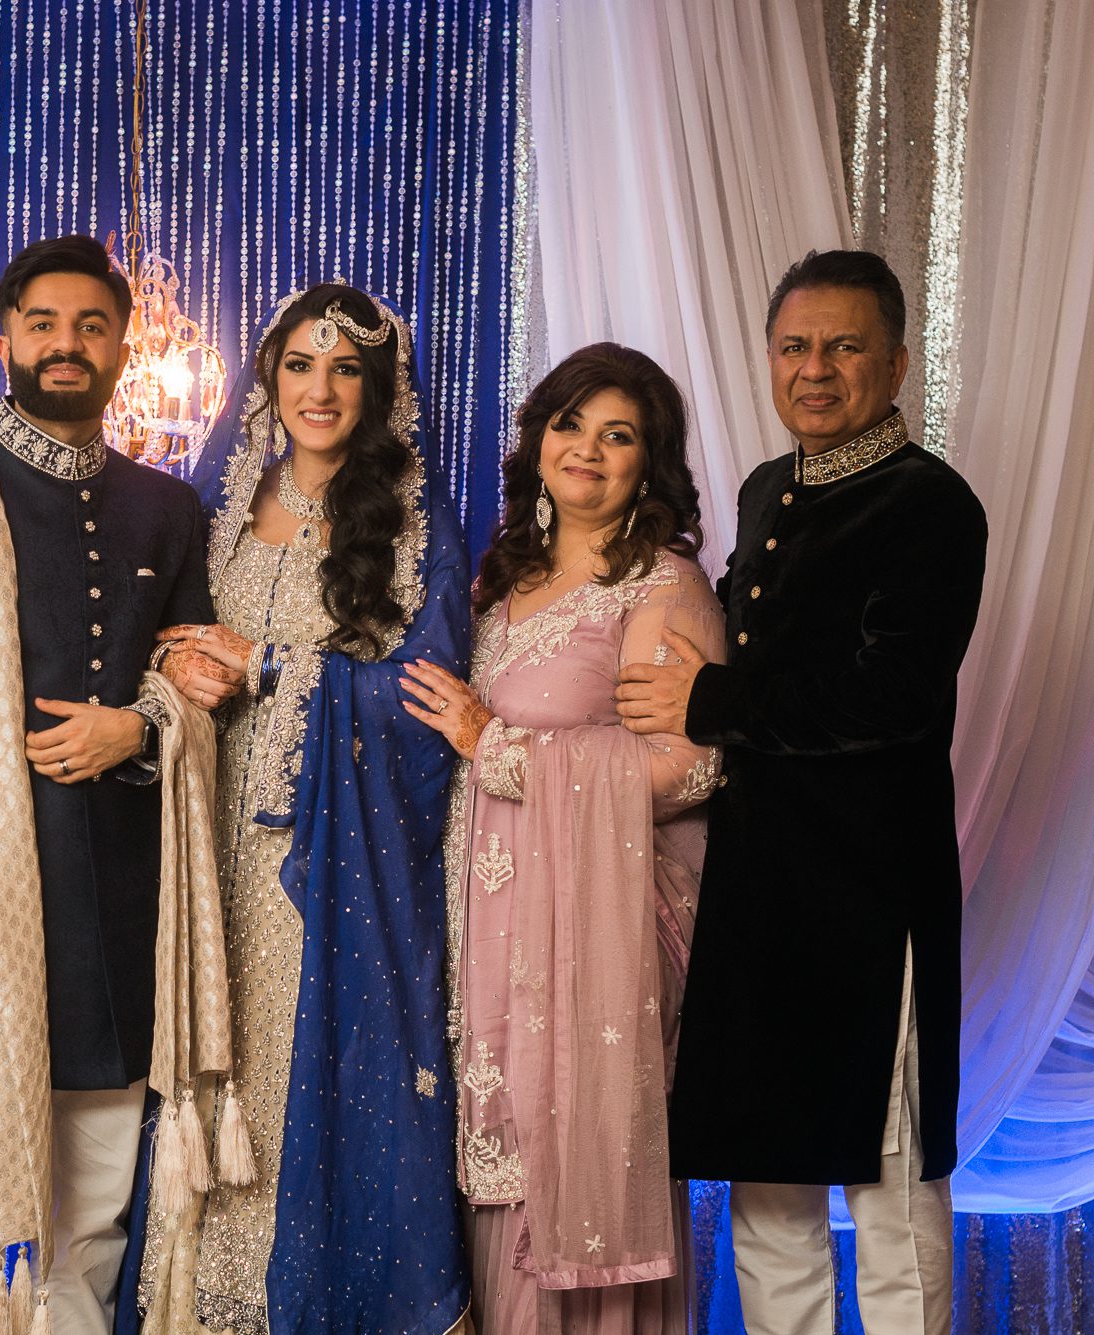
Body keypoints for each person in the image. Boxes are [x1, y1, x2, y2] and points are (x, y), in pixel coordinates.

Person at [0, 234, 235, 1335]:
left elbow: (198, 680)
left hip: (115, 910)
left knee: (95, 1214)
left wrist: (137, 728)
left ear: (122, 346)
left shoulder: (166, 508)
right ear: (5, 339)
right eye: (43, 324)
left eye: (90, 326)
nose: (66, 344)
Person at [617, 250, 987, 1335]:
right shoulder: (766, 489)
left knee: (889, 1180)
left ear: (896, 364)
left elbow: (893, 697)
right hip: (757, 889)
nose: (814, 369)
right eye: (794, 346)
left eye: (843, 347)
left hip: (871, 897)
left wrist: (712, 698)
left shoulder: (929, 504)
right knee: (767, 1177)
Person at [126, 283, 472, 1334]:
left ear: (378, 389)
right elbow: (156, 636)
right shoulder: (221, 504)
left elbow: (429, 703)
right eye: (299, 365)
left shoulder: (413, 524)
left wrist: (273, 669)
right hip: (199, 852)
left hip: (325, 864)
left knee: (301, 1080)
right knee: (201, 1071)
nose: (319, 390)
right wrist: (174, 667)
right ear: (267, 378)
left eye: (345, 369)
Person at [399, 343, 723, 1333]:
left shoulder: (659, 587)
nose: (586, 447)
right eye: (569, 423)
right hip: (487, 953)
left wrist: (492, 746)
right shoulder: (499, 585)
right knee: (497, 1205)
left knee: (568, 1208)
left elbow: (691, 767)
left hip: (587, 957)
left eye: (617, 435)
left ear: (648, 464)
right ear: (538, 440)